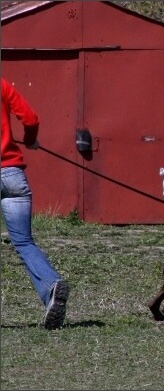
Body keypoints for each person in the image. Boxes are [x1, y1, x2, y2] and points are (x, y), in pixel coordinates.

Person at [1, 77, 69, 330]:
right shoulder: (3, 85)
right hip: (12, 175)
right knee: (24, 242)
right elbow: (30, 118)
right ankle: (51, 287)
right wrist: (30, 139)